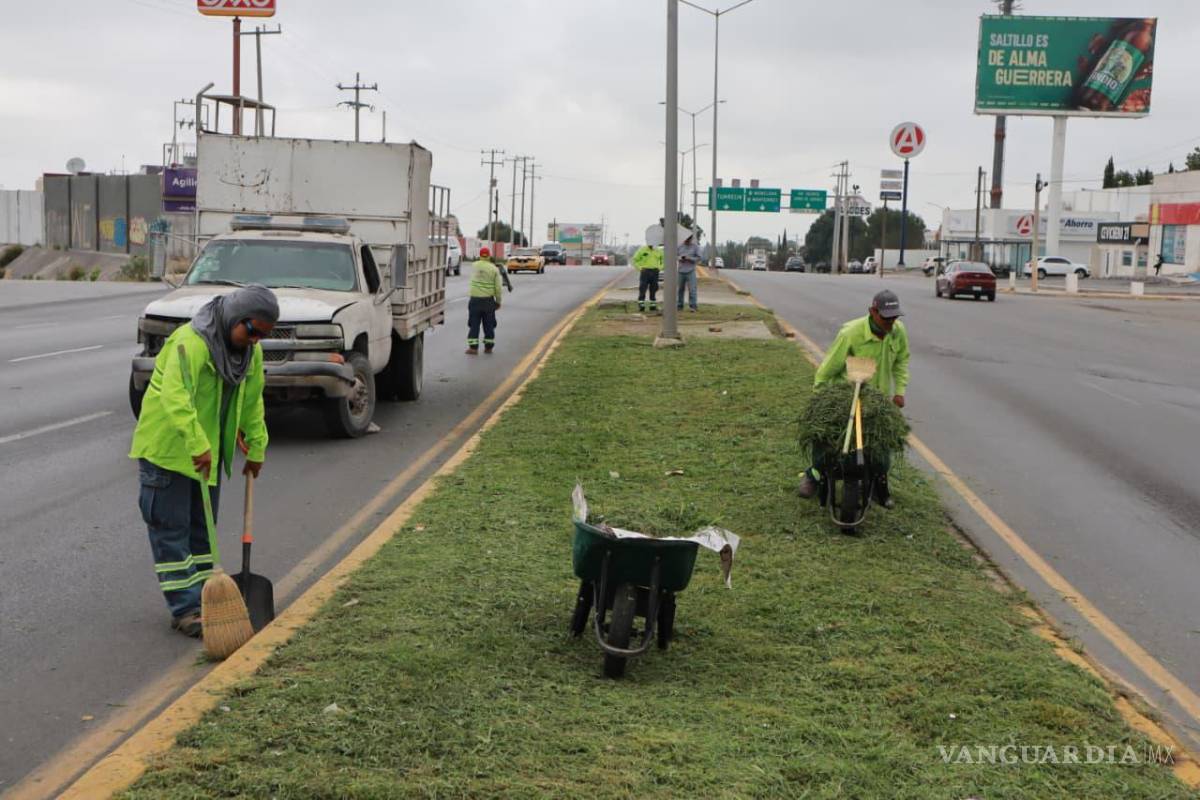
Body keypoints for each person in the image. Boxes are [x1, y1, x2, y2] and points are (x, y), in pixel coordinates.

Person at [129, 285, 278, 637]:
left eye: (263, 335)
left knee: (201, 535)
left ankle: (202, 600)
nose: (255, 340)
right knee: (171, 533)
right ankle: (185, 609)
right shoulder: (190, 343)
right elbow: (175, 397)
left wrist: (256, 448)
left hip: (204, 457)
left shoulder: (249, 355)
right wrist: (197, 444)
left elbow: (253, 401)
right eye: (252, 331)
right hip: (167, 452)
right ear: (233, 318)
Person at [797, 290, 910, 509]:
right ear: (872, 312)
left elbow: (902, 361)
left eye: (894, 317)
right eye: (886, 317)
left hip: (878, 400)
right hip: (846, 396)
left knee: (881, 449)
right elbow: (826, 370)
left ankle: (879, 484)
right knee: (827, 441)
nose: (891, 323)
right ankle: (814, 475)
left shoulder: (898, 332)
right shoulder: (851, 333)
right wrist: (820, 399)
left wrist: (900, 392)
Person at [467, 246, 503, 355]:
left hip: (475, 301)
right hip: (488, 301)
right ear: (489, 256)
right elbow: (498, 288)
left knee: (474, 324)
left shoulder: (474, 266)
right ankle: (488, 348)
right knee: (489, 325)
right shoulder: (494, 269)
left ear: (480, 255)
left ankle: (473, 348)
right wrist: (498, 301)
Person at [632, 240, 663, 312]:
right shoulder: (642, 250)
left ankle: (653, 306)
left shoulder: (658, 251)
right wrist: (640, 268)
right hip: (645, 271)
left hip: (655, 271)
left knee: (654, 288)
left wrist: (660, 268)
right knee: (642, 288)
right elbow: (635, 260)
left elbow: (664, 260)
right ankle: (641, 305)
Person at [676, 230, 701, 312]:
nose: (687, 241)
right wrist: (680, 258)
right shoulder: (679, 247)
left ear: (691, 239)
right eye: (686, 239)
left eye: (689, 239)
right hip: (681, 271)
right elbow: (675, 256)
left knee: (692, 289)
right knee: (680, 289)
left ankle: (693, 306)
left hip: (690, 271)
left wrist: (689, 258)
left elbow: (699, 258)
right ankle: (679, 306)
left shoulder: (695, 247)